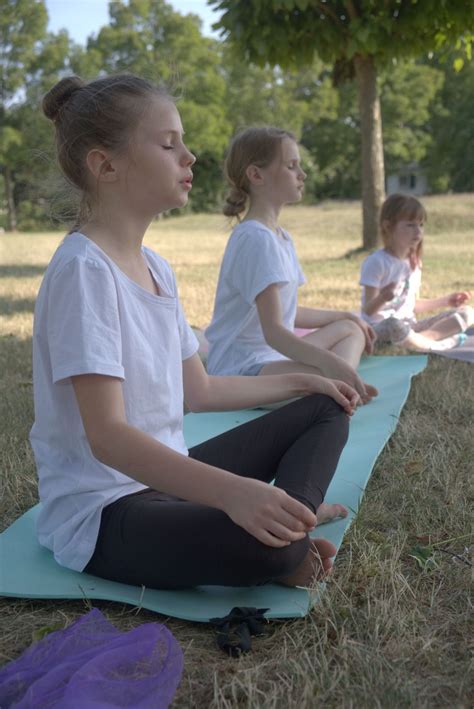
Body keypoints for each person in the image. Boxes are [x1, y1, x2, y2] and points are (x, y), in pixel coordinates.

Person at [31, 74, 359, 592]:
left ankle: (290, 520)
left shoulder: (156, 267)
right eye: (168, 144)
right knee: (266, 546)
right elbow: (108, 438)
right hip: (106, 512)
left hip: (169, 477)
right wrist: (234, 493)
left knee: (326, 408)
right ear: (105, 164)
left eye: (183, 143)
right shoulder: (83, 270)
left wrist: (307, 382)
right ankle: (286, 537)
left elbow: (199, 390)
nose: (189, 156)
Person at [205, 127, 378, 405]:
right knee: (326, 386)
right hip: (241, 368)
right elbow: (274, 332)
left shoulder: (281, 237)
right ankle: (339, 381)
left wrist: (344, 315)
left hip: (274, 356)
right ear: (256, 175)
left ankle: (339, 380)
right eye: (291, 166)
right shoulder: (255, 239)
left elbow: (288, 312)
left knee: (350, 328)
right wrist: (331, 362)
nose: (302, 174)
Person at [359, 193, 472, 352]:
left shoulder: (414, 262)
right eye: (410, 225)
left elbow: (412, 305)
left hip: (410, 328)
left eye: (421, 224)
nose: (418, 231)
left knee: (468, 313)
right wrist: (383, 297)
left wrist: (446, 301)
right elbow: (368, 311)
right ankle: (438, 345)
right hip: (379, 330)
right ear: (388, 226)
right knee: (393, 325)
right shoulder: (376, 262)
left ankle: (421, 342)